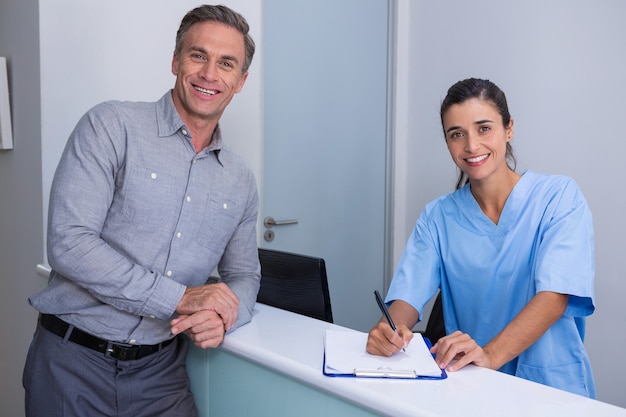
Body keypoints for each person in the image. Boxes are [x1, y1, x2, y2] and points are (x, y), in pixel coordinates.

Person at [23, 5, 260, 416]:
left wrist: (223, 317)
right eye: (197, 55)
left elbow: (244, 275)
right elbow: (69, 243)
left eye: (226, 63)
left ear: (240, 81)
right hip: (71, 363)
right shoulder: (110, 126)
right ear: (175, 61)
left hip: (161, 375)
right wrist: (180, 297)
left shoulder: (239, 180)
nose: (209, 74)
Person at [366, 78, 596, 398]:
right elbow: (406, 298)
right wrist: (389, 332)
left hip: (551, 387)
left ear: (509, 128)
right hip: (474, 386)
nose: (471, 146)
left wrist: (490, 355)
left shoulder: (559, 198)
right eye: (456, 134)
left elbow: (555, 297)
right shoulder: (438, 217)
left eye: (484, 128)